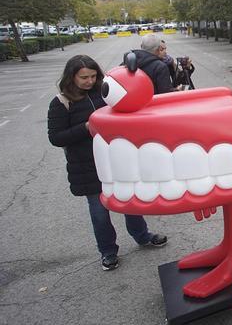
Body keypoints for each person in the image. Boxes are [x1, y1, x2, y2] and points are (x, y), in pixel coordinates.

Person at [47, 55, 167, 271]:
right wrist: (85, 127)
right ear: (71, 77)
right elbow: (56, 137)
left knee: (130, 201)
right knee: (99, 212)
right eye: (83, 77)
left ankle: (142, 235)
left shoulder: (105, 91)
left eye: (93, 76)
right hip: (87, 166)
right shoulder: (61, 102)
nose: (89, 81)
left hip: (116, 160)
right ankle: (108, 251)